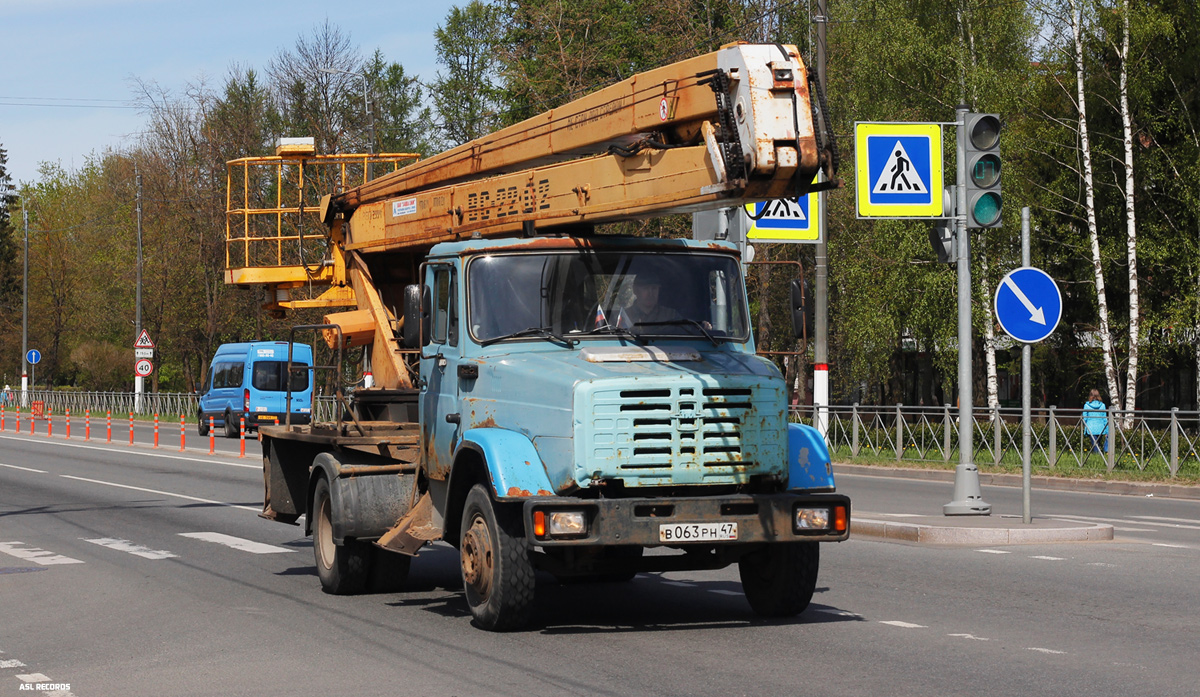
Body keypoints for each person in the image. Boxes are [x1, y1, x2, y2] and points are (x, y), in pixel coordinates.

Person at [1082, 389, 1108, 453]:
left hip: (1090, 428)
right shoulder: (1102, 405)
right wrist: (1107, 430)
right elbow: (1104, 418)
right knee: (1098, 443)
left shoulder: (1086, 405)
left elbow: (1084, 418)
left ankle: (1097, 458)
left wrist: (1085, 425)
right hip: (1101, 428)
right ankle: (1099, 458)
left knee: (1095, 445)